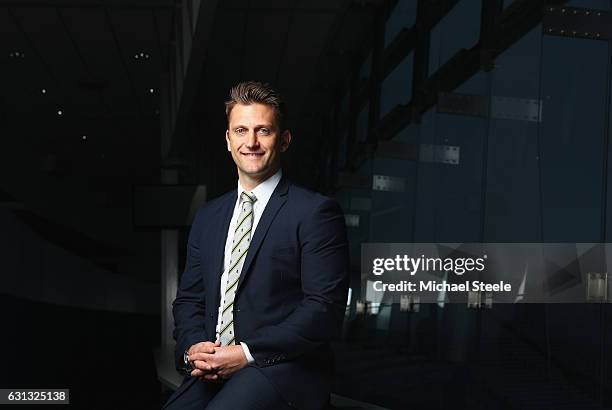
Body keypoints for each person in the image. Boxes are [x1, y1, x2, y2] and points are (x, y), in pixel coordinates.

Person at [163, 81, 350, 410]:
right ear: (228, 140)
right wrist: (193, 348)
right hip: (214, 368)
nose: (251, 142)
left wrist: (246, 353)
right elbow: (190, 299)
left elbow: (324, 309)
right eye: (241, 130)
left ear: (284, 140)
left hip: (284, 368)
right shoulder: (208, 216)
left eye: (263, 130)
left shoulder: (315, 212)